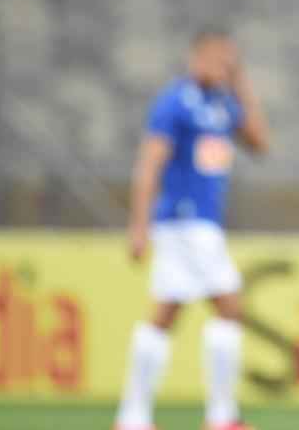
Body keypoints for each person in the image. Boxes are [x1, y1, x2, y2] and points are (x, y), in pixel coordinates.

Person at [115, 29, 270, 430]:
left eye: (230, 60)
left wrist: (242, 84)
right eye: (218, 58)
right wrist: (138, 225)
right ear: (196, 58)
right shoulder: (175, 102)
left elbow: (259, 143)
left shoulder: (222, 103)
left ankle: (133, 418)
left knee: (164, 314)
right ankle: (221, 417)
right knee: (230, 307)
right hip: (186, 222)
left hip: (199, 225)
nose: (224, 66)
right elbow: (150, 163)